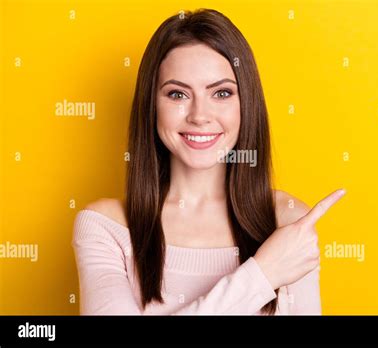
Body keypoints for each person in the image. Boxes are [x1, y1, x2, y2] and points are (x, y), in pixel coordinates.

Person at [72, 8, 346, 315]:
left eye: (222, 93)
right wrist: (263, 275)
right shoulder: (106, 227)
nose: (199, 116)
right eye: (177, 94)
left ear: (247, 104)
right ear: (152, 106)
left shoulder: (287, 221)